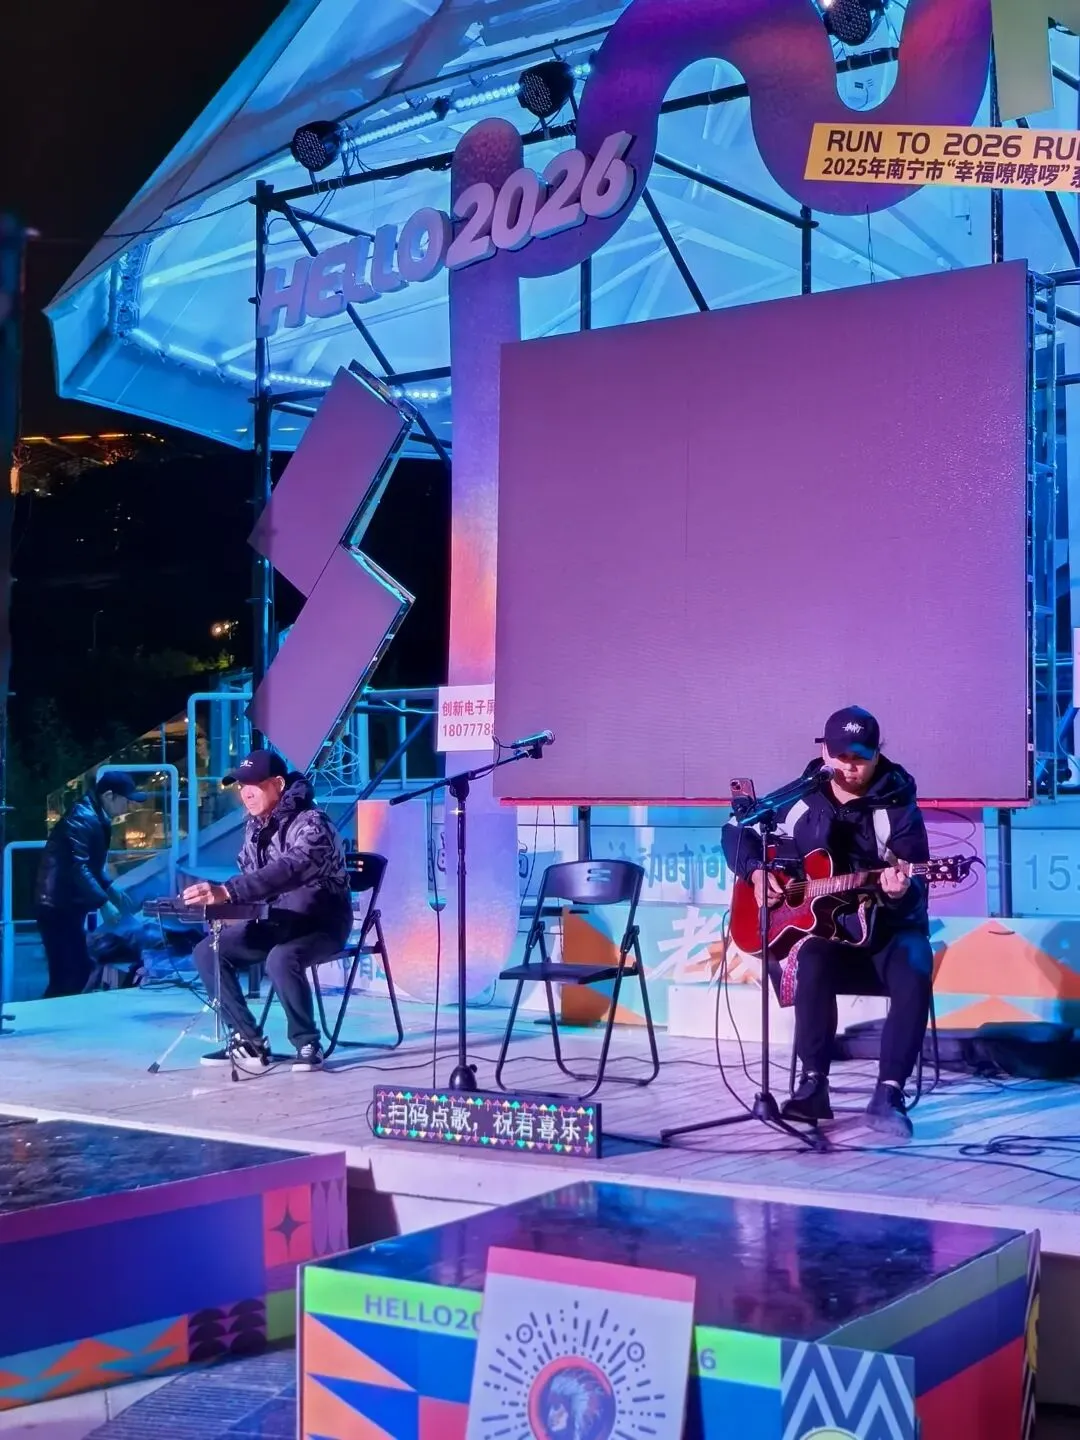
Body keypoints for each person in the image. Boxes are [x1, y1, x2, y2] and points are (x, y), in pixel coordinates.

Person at [722, 707, 932, 1140]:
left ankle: (889, 1094)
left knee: (915, 964)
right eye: (841, 757)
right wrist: (756, 873)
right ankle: (813, 1086)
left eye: (860, 758)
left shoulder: (898, 805)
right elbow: (737, 831)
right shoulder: (803, 796)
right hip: (831, 932)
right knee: (813, 958)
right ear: (825, 752)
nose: (850, 767)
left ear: (877, 754)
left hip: (888, 931)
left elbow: (917, 881)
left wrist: (899, 891)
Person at [183, 750, 352, 1073]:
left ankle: (307, 1042)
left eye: (254, 785)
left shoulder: (313, 822)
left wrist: (228, 891)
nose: (245, 793)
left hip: (322, 923)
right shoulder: (254, 828)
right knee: (208, 951)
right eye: (241, 786)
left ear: (278, 784)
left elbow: (290, 869)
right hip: (277, 919)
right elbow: (254, 879)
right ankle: (247, 1040)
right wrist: (221, 905)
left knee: (281, 958)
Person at [34, 770, 144, 997]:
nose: (129, 807)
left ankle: (58, 1013)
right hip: (57, 905)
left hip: (63, 903)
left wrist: (110, 888)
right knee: (69, 973)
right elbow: (79, 867)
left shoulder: (92, 815)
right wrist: (104, 902)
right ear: (109, 796)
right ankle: (55, 1014)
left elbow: (90, 865)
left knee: (73, 970)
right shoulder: (83, 818)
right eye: (126, 800)